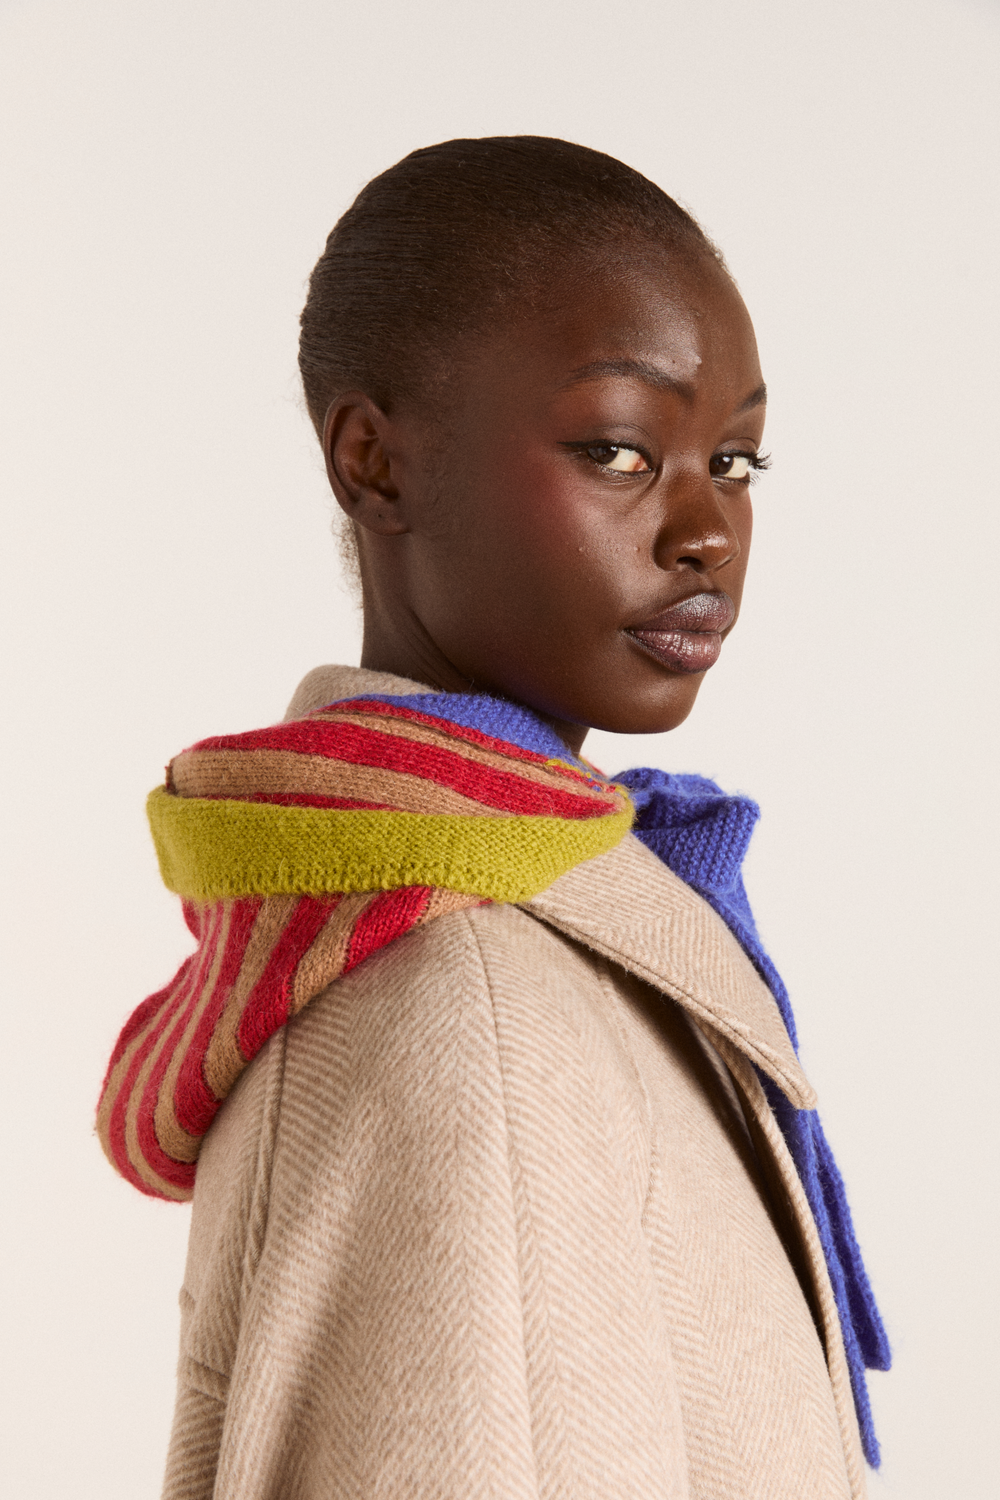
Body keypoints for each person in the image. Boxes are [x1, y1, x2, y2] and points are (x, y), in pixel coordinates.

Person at [98, 136, 890, 1499]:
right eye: (623, 450)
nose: (707, 528)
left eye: (739, 462)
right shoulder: (453, 1002)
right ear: (376, 463)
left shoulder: (556, 916)